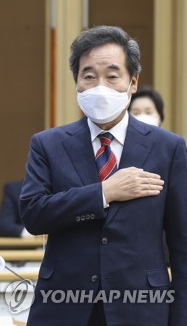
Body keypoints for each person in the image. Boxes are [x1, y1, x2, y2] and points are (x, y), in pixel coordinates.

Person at [19, 26, 187, 325]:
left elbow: (182, 243)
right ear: (76, 82)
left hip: (142, 307)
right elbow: (34, 215)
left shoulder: (168, 148)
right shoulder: (48, 144)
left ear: (132, 82)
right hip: (64, 305)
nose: (100, 86)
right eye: (89, 76)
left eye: (112, 75)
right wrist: (103, 193)